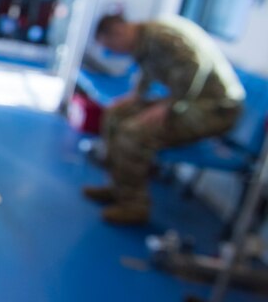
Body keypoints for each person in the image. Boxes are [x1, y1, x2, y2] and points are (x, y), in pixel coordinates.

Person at [82, 13, 245, 225]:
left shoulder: (162, 36)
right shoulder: (143, 41)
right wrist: (136, 96)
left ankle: (134, 206)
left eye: (111, 48)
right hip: (189, 101)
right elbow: (148, 68)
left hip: (214, 109)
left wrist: (169, 104)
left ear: (119, 32)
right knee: (115, 115)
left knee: (135, 131)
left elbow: (196, 66)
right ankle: (118, 187)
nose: (113, 53)